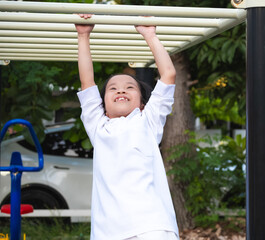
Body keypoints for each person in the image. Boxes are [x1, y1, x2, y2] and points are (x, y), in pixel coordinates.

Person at [75, 14, 179, 240]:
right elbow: (87, 82)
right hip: (109, 230)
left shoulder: (147, 121)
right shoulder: (98, 126)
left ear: (142, 103)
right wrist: (83, 36)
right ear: (101, 105)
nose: (121, 90)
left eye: (129, 87)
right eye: (113, 88)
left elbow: (168, 75)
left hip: (152, 226)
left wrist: (150, 35)